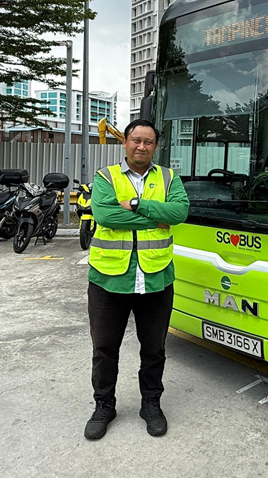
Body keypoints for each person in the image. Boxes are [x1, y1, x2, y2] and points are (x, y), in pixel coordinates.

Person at [84, 119, 189, 441]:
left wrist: (137, 204)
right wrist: (155, 218)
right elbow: (105, 216)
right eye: (136, 140)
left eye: (148, 142)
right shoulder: (106, 177)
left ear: (156, 146)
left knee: (154, 349)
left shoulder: (170, 178)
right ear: (125, 143)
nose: (141, 147)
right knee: (104, 349)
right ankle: (104, 405)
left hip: (156, 280)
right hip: (108, 281)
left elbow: (179, 213)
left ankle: (151, 404)